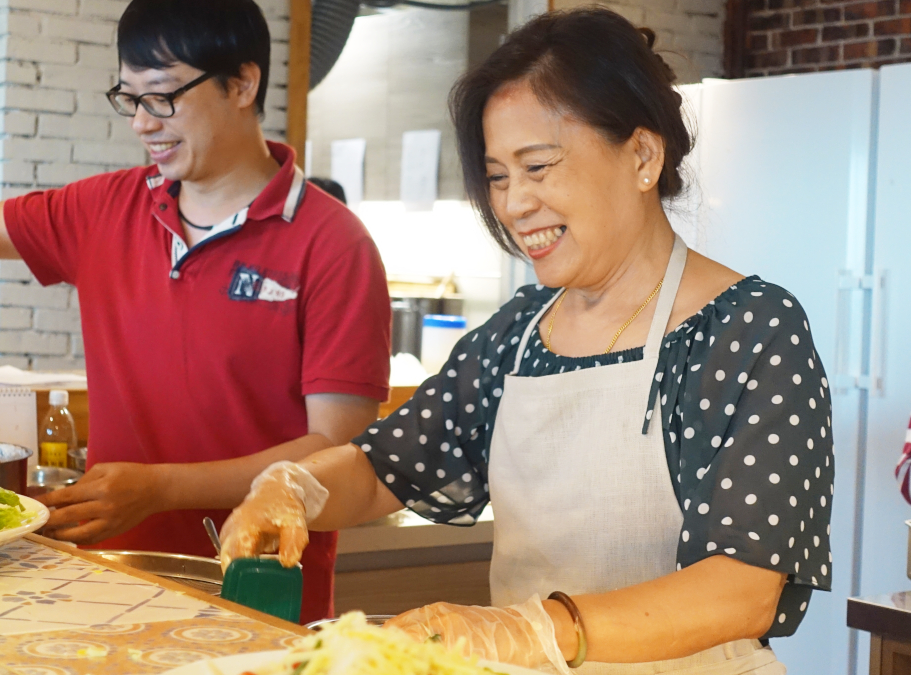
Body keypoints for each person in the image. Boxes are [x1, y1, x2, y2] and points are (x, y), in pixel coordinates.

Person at [220, 8, 831, 672]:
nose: (513, 204)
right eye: (499, 176)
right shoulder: (518, 335)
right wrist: (292, 487)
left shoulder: (748, 330)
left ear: (643, 156)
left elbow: (743, 588)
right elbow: (382, 467)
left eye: (537, 166)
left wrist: (534, 627)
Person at [0, 0, 392, 623]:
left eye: (162, 97)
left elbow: (337, 446)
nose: (142, 123)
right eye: (130, 98)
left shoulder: (334, 244)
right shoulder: (109, 208)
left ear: (242, 84)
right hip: (105, 581)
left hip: (259, 588)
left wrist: (161, 488)